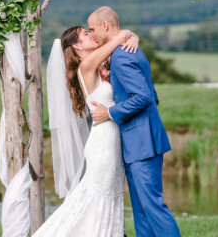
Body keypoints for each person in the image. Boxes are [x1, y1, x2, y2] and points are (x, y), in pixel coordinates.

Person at [32, 25, 139, 237]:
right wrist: (129, 35)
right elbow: (117, 39)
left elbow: (121, 39)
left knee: (107, 199)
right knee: (97, 200)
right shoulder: (87, 65)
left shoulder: (98, 65)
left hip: (111, 142)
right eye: (85, 33)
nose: (91, 35)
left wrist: (132, 36)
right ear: (77, 45)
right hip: (103, 146)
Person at [89, 7, 181, 237]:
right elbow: (152, 95)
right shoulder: (128, 49)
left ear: (105, 26)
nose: (92, 35)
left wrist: (110, 113)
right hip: (138, 142)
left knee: (153, 208)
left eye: (92, 29)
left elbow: (144, 97)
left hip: (142, 144)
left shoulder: (121, 55)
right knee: (141, 212)